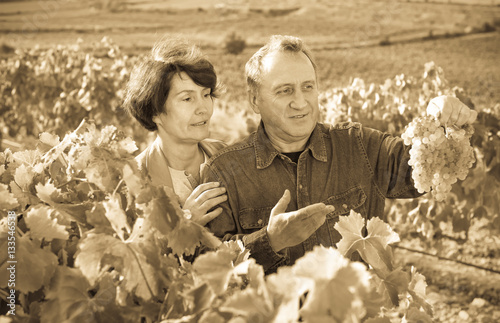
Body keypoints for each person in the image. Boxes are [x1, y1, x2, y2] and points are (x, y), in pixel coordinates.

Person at [202, 35, 477, 274]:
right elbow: (211, 267)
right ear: (254, 100)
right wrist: (269, 241)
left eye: (308, 87)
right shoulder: (226, 171)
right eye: (285, 90)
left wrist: (441, 116)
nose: (300, 101)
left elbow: (418, 167)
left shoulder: (359, 146)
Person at [123, 36, 227, 226]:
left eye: (206, 95)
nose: (203, 108)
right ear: (155, 112)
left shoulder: (227, 156)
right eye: (187, 99)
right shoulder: (134, 180)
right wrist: (185, 223)